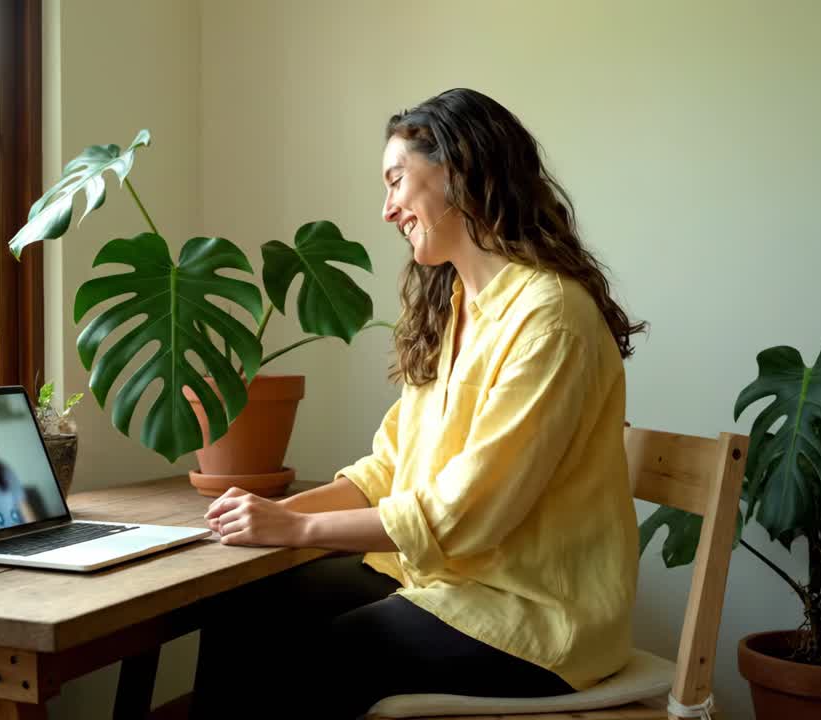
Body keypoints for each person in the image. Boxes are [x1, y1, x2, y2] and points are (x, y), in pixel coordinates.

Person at [191, 88, 647, 719]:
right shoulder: (454, 310)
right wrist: (272, 516)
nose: (387, 209)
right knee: (247, 611)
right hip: (444, 583)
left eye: (396, 180)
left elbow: (468, 512)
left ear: (458, 170)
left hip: (534, 617)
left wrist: (296, 529)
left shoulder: (550, 317)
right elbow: (389, 468)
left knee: (326, 657)